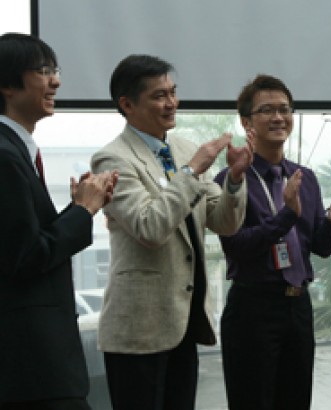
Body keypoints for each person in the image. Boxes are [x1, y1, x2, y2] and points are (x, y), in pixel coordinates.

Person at [90, 54, 252, 410]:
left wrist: (236, 180)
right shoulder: (112, 159)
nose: (171, 103)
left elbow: (223, 221)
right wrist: (192, 173)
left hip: (184, 322)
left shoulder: (184, 149)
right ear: (127, 104)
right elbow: (150, 227)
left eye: (173, 92)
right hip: (138, 330)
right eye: (159, 95)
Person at [214, 74, 331, 410]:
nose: (279, 117)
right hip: (253, 307)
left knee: (296, 401)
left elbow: (320, 247)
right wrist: (287, 215)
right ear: (245, 121)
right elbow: (236, 246)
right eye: (267, 110)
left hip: (298, 306)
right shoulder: (232, 179)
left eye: (285, 109)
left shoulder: (303, 177)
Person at [0, 33, 117, 409]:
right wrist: (82, 212)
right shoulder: (4, 156)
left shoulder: (15, 150)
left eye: (56, 70)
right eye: (44, 71)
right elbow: (25, 257)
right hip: (31, 367)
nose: (57, 81)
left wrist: (80, 208)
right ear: (6, 84)